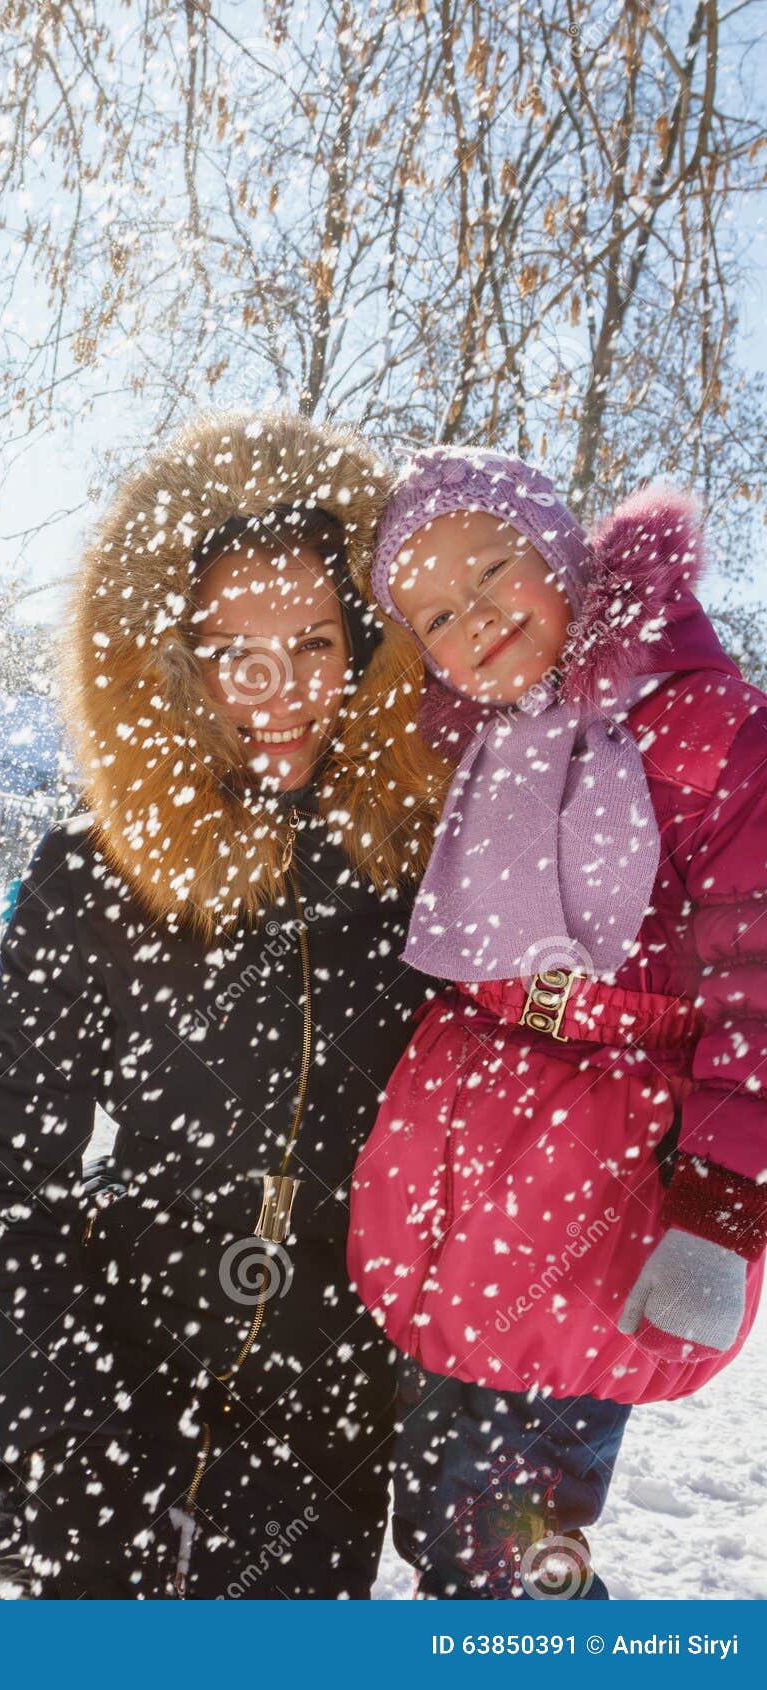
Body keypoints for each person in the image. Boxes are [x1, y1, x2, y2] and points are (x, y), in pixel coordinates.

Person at [0, 412, 447, 1598]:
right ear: (180, 659)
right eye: (237, 653)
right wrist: (45, 1409)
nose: (281, 692)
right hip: (109, 1380)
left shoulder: (423, 876)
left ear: (366, 642)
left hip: (322, 1424)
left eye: (314, 644)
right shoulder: (100, 872)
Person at [349, 447, 767, 1599]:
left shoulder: (707, 730)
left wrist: (724, 1204)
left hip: (615, 1176)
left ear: (565, 554)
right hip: (475, 1151)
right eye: (436, 611)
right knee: (444, 1506)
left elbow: (759, 977)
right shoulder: (479, 745)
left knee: (504, 1518)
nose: (475, 617)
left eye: (493, 571)